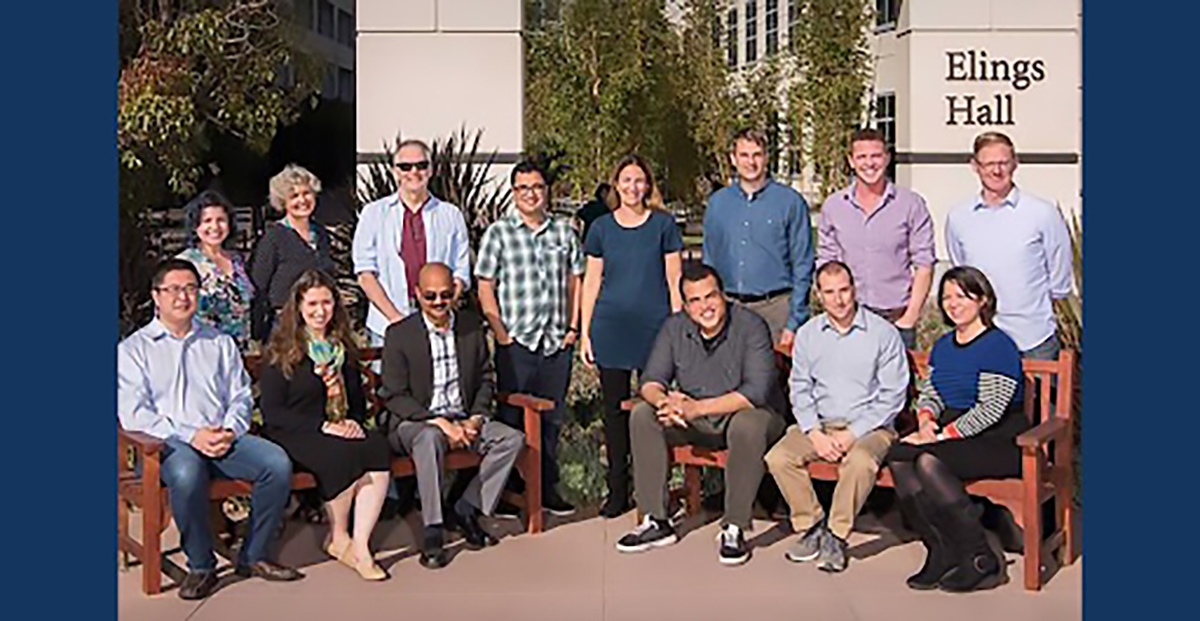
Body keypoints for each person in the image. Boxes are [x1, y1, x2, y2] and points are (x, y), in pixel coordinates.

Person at [117, 259, 302, 600]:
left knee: (275, 463)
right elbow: (134, 415)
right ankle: (202, 565)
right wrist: (191, 436)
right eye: (173, 289)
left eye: (190, 288)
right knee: (187, 472)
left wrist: (230, 430)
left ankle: (254, 554)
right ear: (156, 296)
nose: (183, 296)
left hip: (221, 439)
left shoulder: (218, 342)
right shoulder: (133, 349)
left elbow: (241, 395)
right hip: (166, 447)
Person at [616, 262, 786, 565]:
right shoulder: (674, 327)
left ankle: (734, 527)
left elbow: (756, 392)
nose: (705, 306)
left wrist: (696, 408)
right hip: (695, 418)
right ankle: (656, 520)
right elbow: (650, 380)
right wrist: (665, 402)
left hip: (750, 416)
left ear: (723, 295)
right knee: (643, 414)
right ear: (685, 305)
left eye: (711, 296)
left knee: (747, 424)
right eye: (695, 300)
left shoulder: (751, 326)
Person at [885, 266, 1028, 592]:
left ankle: (978, 557)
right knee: (898, 455)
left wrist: (940, 436)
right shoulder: (944, 346)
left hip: (999, 437)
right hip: (952, 432)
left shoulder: (998, 346)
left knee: (928, 461)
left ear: (982, 299)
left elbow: (991, 409)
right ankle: (940, 549)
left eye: (962, 296)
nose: (953, 303)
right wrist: (925, 420)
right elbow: (932, 393)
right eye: (947, 296)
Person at [378, 263, 525, 569]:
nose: (438, 302)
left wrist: (475, 418)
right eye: (430, 296)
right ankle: (433, 528)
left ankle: (467, 507)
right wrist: (439, 422)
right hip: (415, 422)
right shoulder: (400, 334)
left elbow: (486, 378)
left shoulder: (470, 327)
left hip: (462, 417)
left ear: (455, 292)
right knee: (429, 438)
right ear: (417, 294)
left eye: (445, 295)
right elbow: (393, 395)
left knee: (511, 439)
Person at [765, 261, 909, 573]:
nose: (839, 299)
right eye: (830, 292)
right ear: (819, 294)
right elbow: (799, 390)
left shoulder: (882, 333)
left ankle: (836, 535)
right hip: (820, 424)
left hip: (871, 427)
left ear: (854, 289)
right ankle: (811, 524)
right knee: (778, 458)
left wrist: (851, 434)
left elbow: (892, 396)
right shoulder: (808, 335)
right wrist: (814, 433)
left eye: (844, 290)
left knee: (859, 462)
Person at [258, 270, 392, 581]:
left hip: (335, 426)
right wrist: (323, 426)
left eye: (327, 303)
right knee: (338, 455)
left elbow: (356, 401)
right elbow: (273, 412)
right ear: (299, 307)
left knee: (375, 446)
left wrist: (352, 423)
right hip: (294, 431)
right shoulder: (283, 349)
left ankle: (360, 545)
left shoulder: (341, 347)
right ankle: (339, 536)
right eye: (313, 304)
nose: (320, 311)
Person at [476, 160, 584, 518]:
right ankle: (508, 490)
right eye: (523, 188)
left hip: (555, 341)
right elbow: (485, 285)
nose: (531, 194)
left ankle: (546, 487)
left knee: (552, 418)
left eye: (537, 187)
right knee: (510, 418)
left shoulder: (564, 232)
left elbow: (575, 280)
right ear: (513, 192)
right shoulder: (498, 233)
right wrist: (502, 336)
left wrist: (572, 328)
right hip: (517, 343)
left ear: (546, 190)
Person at [580, 154, 683, 518]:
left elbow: (674, 281)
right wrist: (585, 334)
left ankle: (655, 491)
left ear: (648, 185)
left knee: (655, 409)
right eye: (626, 180)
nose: (632, 187)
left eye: (639, 180)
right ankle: (618, 491)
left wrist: (678, 328)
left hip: (654, 331)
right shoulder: (601, 229)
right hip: (611, 329)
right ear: (616, 184)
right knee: (614, 414)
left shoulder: (663, 226)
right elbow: (591, 282)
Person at [945, 131, 1073, 361]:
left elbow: (1059, 276)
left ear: (1015, 163)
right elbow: (963, 274)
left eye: (1003, 163)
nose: (997, 171)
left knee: (1039, 399)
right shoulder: (958, 217)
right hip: (981, 339)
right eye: (989, 164)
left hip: (1033, 340)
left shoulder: (1042, 214)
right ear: (974, 166)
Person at [817, 128, 936, 350]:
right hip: (848, 320)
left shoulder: (911, 204)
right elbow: (826, 262)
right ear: (851, 161)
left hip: (896, 319)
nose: (869, 163)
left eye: (876, 156)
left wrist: (909, 318)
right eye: (862, 157)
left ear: (887, 158)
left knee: (896, 385)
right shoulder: (834, 207)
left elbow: (924, 264)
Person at [353, 138, 471, 348]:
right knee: (388, 381)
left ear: (431, 169)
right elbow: (365, 273)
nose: (413, 172)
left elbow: (460, 272)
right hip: (385, 325)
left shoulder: (450, 214)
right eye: (405, 166)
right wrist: (396, 319)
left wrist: (440, 311)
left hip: (439, 323)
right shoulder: (373, 213)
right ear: (395, 171)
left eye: (421, 165)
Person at [702, 128, 814, 349]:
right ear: (733, 159)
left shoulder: (790, 202)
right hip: (728, 308)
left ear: (766, 157)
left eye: (757, 155)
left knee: (774, 381)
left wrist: (794, 322)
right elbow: (709, 260)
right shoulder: (717, 204)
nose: (750, 162)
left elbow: (803, 264)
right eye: (744, 155)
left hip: (775, 310)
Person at [250, 164, 336, 340]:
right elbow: (258, 284)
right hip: (285, 325)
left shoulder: (321, 234)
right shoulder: (274, 237)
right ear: (283, 202)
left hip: (319, 322)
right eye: (294, 196)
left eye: (306, 193)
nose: (302, 200)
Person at [174, 189, 255, 350]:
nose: (215, 226)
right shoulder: (184, 263)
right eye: (207, 221)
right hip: (200, 351)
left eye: (221, 220)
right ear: (196, 225)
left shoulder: (238, 261)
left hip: (238, 353)